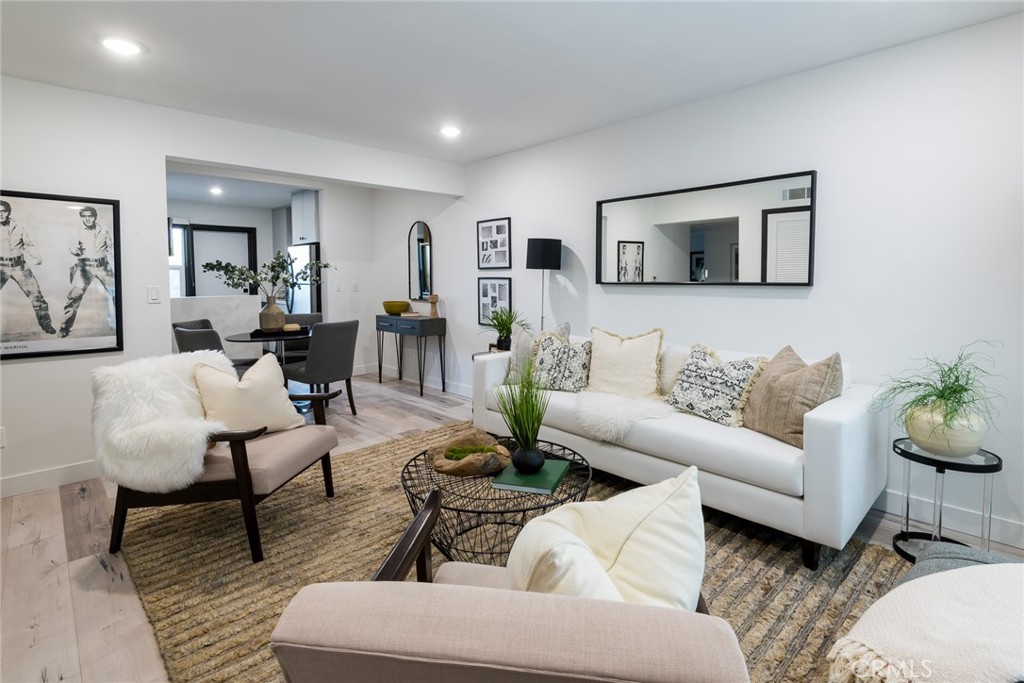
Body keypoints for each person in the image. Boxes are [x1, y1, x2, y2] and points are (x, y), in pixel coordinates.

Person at [0, 199, 58, 334]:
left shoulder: (18, 227)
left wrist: (36, 255)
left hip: (20, 266)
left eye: (3, 212)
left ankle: (46, 325)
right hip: (0, 266)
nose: (0, 214)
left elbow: (28, 244)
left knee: (37, 296)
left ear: (8, 213)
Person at [57, 206, 114, 338]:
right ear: (81, 217)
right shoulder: (76, 231)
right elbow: (71, 246)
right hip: (84, 267)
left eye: (90, 216)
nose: (88, 219)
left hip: (103, 266)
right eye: (85, 216)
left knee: (116, 294)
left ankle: (120, 323)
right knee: (74, 297)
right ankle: (64, 328)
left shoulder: (103, 230)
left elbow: (110, 247)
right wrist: (74, 250)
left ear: (95, 217)